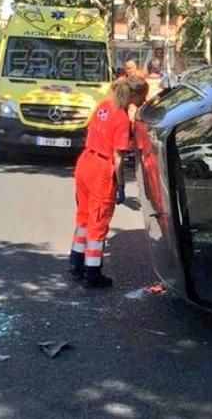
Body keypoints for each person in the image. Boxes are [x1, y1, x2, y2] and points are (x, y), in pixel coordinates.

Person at [69, 75, 150, 288]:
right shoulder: (122, 119)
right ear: (134, 95)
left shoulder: (103, 105)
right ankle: (92, 274)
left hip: (85, 161)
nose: (144, 101)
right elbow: (118, 156)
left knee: (84, 217)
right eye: (143, 96)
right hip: (101, 170)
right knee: (99, 222)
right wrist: (121, 185)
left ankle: (75, 264)